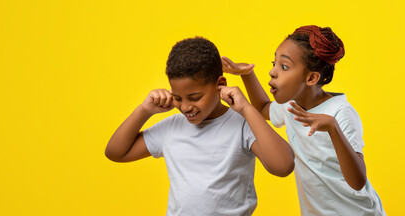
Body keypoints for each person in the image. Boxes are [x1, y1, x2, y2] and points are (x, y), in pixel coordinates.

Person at [105, 36, 295, 215]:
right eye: (178, 98)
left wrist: (246, 109)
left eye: (195, 98)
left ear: (220, 84)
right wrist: (144, 110)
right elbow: (115, 152)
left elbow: (283, 166)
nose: (186, 107)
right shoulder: (172, 127)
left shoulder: (241, 124)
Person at [222, 25, 385, 215]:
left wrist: (333, 128)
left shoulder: (341, 112)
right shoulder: (290, 105)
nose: (272, 72)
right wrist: (247, 74)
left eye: (284, 66)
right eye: (273, 63)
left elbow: (357, 182)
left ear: (311, 78)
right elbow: (263, 109)